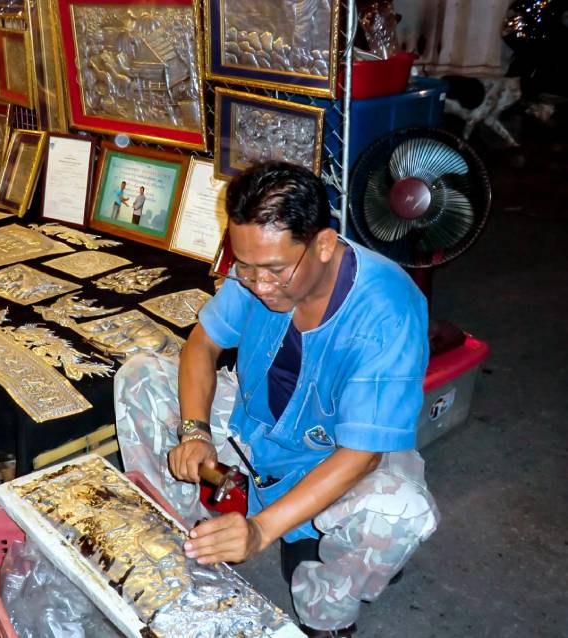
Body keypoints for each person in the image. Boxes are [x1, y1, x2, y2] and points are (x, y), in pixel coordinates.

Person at [115, 161, 440, 637]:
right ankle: (184, 547)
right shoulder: (256, 269)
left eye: (273, 270)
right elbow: (201, 346)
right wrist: (194, 432)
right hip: (254, 431)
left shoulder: (388, 310)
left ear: (324, 246)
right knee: (140, 376)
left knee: (400, 510)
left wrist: (261, 531)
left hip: (329, 458)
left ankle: (324, 611)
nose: (258, 285)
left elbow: (361, 456)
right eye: (243, 267)